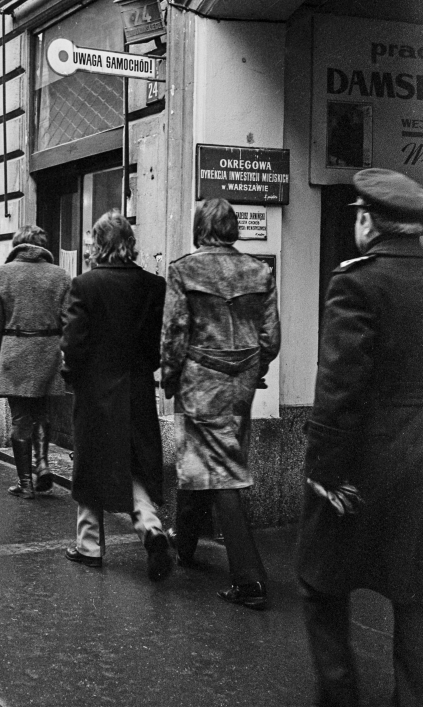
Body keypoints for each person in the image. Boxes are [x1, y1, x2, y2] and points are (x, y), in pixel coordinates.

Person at [297, 168, 423, 707]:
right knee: (416, 592)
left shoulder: (356, 281)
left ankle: (339, 694)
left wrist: (323, 471)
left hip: (366, 461)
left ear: (368, 223)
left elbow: (341, 386)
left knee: (320, 578)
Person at [160, 198, 280, 610]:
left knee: (221, 470)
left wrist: (170, 379)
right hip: (242, 382)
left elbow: (175, 333)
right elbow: (271, 338)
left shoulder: (183, 270)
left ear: (199, 227)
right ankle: (186, 546)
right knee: (201, 459)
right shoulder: (259, 271)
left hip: (201, 379)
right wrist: (253, 367)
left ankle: (250, 580)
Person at [61, 210, 172, 581]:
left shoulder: (84, 284)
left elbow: (73, 343)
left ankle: (89, 546)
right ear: (129, 244)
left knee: (91, 463)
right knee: (134, 461)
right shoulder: (153, 286)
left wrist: (72, 378)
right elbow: (156, 343)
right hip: (137, 387)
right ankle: (151, 527)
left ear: (99, 244)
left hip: (94, 389)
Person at [0, 225, 71, 498]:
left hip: (15, 352)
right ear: (43, 246)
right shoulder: (61, 276)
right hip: (48, 352)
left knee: (20, 418)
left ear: (17, 245)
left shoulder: (2, 273)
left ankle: (25, 483)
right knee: (42, 413)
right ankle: (42, 465)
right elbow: (70, 321)